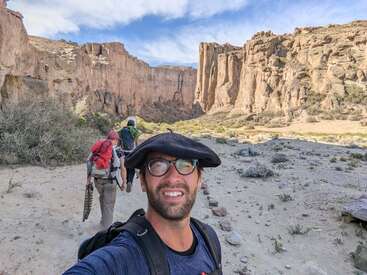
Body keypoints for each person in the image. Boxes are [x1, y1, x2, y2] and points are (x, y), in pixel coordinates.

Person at [64, 131, 222, 274]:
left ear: (200, 179)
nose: (173, 178)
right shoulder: (123, 256)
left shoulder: (209, 238)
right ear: (143, 182)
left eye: (186, 164)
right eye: (158, 165)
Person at [87, 130, 125, 229]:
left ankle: (103, 221)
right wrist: (124, 182)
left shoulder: (99, 146)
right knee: (109, 204)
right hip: (111, 181)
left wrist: (88, 179)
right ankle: (106, 228)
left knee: (103, 199)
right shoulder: (118, 150)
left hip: (97, 180)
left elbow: (89, 162)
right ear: (116, 140)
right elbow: (123, 167)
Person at [119, 119, 140, 193]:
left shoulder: (122, 130)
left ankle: (126, 181)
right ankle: (130, 181)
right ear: (133, 124)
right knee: (131, 168)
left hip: (123, 152)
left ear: (127, 124)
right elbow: (136, 142)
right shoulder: (135, 131)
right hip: (132, 152)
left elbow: (119, 141)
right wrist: (137, 149)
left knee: (125, 167)